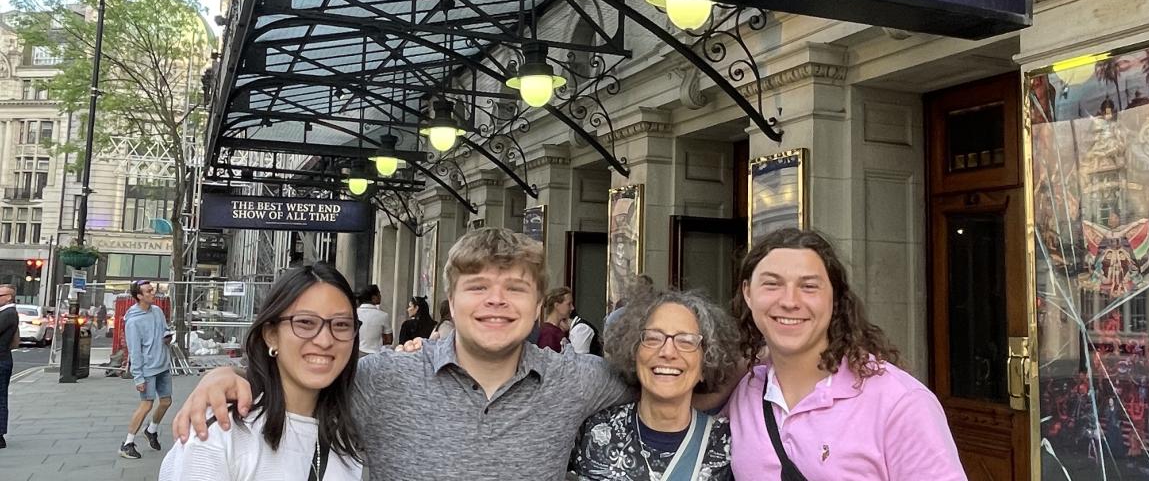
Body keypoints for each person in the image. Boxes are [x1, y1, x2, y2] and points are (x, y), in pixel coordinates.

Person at [173, 228, 737, 479]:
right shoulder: (379, 377)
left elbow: (675, 380)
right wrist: (228, 375)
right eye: (477, 287)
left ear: (540, 304)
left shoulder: (582, 380)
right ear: (450, 300)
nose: (496, 301)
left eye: (515, 288)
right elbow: (302, 374)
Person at [728, 228, 965, 479]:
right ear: (748, 293)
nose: (789, 301)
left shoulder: (899, 404)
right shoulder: (745, 393)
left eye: (809, 286)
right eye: (772, 284)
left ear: (836, 298)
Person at [159, 263, 363, 480]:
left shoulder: (346, 439)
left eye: (341, 325)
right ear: (271, 335)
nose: (324, 340)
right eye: (305, 323)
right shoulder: (219, 433)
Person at [570, 289, 739, 480]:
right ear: (634, 352)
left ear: (707, 361)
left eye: (686, 341)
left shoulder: (725, 445)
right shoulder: (592, 431)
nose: (668, 352)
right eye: (653, 338)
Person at [121, 280, 173, 459]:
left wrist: (167, 337)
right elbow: (134, 351)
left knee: (166, 401)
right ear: (139, 296)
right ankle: (127, 443)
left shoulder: (157, 311)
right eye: (149, 291)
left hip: (163, 365)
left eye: (153, 290)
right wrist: (138, 377)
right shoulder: (133, 322)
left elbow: (164, 331)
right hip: (147, 369)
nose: (153, 293)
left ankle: (151, 430)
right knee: (146, 405)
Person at [0, 284, 18, 449]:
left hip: (1, 360)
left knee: (0, 399)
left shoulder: (8, 313)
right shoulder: (6, 313)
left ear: (8, 297)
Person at [356, 285, 392, 355]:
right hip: (375, 355)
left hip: (356, 354)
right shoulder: (383, 315)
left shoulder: (354, 314)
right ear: (374, 298)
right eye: (379, 294)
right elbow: (389, 340)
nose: (380, 296)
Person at [537, 286, 572, 351]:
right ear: (557, 305)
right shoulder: (548, 334)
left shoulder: (557, 331)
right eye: (569, 304)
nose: (572, 308)